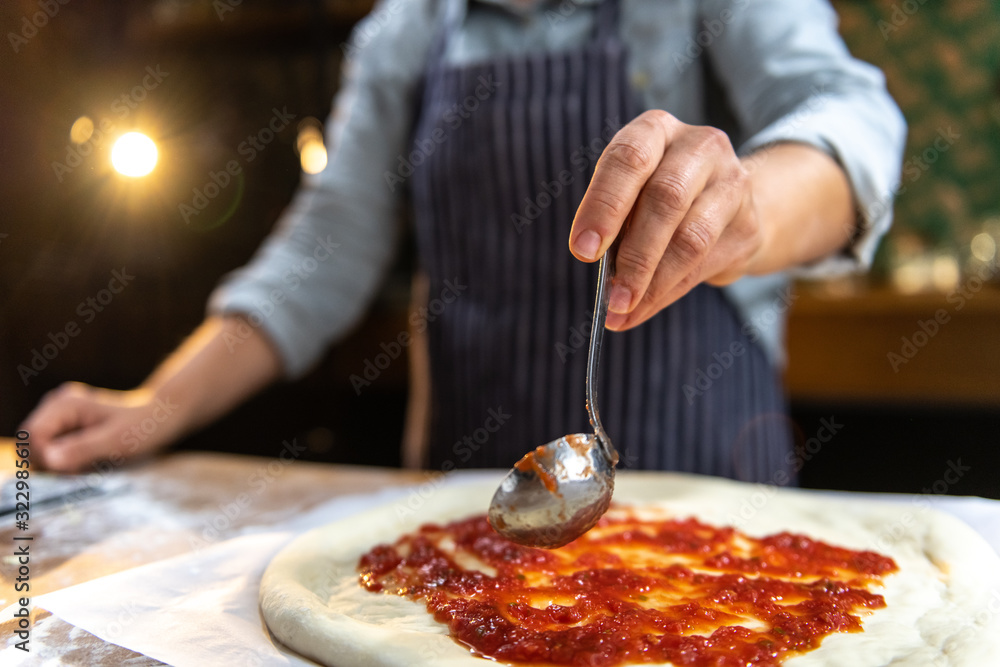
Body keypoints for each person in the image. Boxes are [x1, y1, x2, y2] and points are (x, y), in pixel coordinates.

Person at [22, 0, 905, 480]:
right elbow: (323, 249)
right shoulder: (405, 29)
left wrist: (748, 201)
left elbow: (854, 125)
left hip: (711, 507)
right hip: (469, 519)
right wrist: (157, 407)